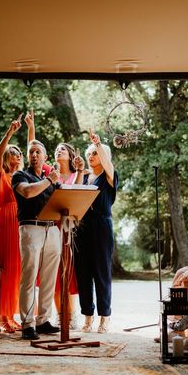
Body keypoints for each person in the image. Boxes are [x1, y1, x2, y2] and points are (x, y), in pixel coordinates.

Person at [11, 140, 62, 340]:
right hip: (31, 228)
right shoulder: (20, 175)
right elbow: (28, 192)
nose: (33, 155)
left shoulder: (51, 180)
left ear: (45, 157)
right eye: (31, 152)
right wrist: (49, 180)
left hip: (52, 229)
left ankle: (43, 320)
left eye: (37, 152)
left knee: (49, 277)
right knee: (29, 275)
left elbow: (62, 199)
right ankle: (27, 323)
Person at [74, 131, 119, 334]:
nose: (90, 156)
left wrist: (98, 143)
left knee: (101, 272)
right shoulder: (83, 177)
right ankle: (87, 316)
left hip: (101, 226)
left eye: (94, 153)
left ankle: (104, 317)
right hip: (82, 228)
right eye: (89, 153)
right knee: (83, 273)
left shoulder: (109, 176)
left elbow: (109, 165)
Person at [0, 116, 24, 333]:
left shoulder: (22, 177)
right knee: (5, 269)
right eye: (13, 153)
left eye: (19, 154)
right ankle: (2, 317)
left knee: (17, 271)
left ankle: (11, 315)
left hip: (20, 222)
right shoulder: (0, 175)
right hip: (4, 222)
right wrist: (9, 133)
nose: (17, 156)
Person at [53, 142, 85, 330]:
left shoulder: (76, 175)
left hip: (71, 228)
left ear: (71, 155)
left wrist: (80, 172)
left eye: (62, 149)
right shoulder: (51, 173)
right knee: (56, 273)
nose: (59, 151)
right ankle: (59, 315)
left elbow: (77, 194)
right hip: (52, 226)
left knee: (69, 271)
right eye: (56, 149)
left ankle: (71, 315)